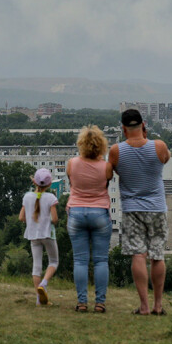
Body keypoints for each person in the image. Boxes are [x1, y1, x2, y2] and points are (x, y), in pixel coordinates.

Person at [108, 109, 171, 316]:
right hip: (157, 208)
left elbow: (113, 171)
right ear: (143, 125)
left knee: (138, 254)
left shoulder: (116, 151)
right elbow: (166, 159)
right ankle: (158, 305)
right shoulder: (159, 146)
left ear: (123, 128)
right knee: (157, 255)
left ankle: (143, 306)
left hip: (132, 209)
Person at [66, 125, 113, 313]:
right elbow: (106, 183)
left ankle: (82, 302)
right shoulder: (106, 167)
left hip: (76, 213)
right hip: (100, 213)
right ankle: (100, 303)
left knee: (80, 261)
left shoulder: (72, 164)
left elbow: (72, 182)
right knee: (101, 260)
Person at [19, 168, 59, 306]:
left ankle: (38, 299)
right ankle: (44, 283)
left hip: (33, 235)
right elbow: (54, 219)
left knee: (37, 266)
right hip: (48, 234)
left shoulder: (27, 197)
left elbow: (21, 217)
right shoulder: (51, 198)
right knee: (53, 261)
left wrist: (32, 221)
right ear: (49, 184)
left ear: (34, 181)